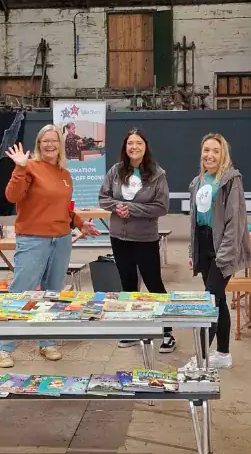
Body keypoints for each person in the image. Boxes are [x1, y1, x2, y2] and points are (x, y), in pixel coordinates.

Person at [0, 125, 101, 368]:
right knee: (21, 292)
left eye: (54, 140)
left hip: (61, 240)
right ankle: (3, 347)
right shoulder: (28, 167)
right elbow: (12, 196)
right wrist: (20, 167)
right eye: (45, 141)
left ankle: (47, 342)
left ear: (60, 145)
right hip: (33, 240)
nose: (50, 145)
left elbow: (64, 208)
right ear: (39, 144)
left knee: (53, 293)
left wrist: (80, 224)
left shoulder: (64, 173)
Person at [99, 128, 175, 353]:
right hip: (119, 237)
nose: (134, 147)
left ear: (145, 147)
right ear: (125, 147)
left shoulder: (157, 174)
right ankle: (133, 328)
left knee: (154, 285)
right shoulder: (115, 171)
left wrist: (131, 208)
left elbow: (161, 207)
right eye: (130, 143)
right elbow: (104, 198)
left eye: (138, 143)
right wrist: (117, 207)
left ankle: (167, 332)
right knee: (128, 284)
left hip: (145, 238)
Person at [184, 133, 251, 369]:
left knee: (209, 302)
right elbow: (195, 220)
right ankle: (223, 354)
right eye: (206, 150)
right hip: (204, 244)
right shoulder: (197, 182)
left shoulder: (231, 180)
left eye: (215, 151)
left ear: (223, 155)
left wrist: (223, 256)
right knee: (219, 300)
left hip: (223, 247)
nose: (209, 155)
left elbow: (235, 222)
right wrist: (193, 251)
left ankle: (201, 359)